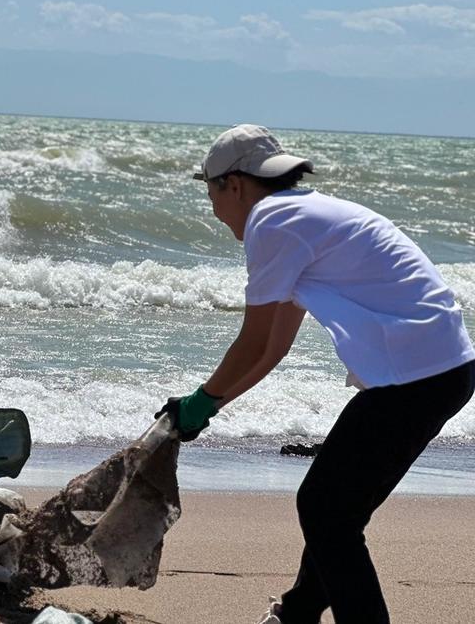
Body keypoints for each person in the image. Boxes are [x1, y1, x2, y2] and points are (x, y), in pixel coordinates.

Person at [158, 125, 475, 624]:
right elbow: (273, 349)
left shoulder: (273, 221)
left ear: (233, 185)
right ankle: (298, 612)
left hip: (416, 375)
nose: (215, 209)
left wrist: (199, 402)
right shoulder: (303, 215)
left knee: (325, 509)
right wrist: (211, 405)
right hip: (444, 369)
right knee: (338, 511)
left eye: (211, 191)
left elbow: (254, 341)